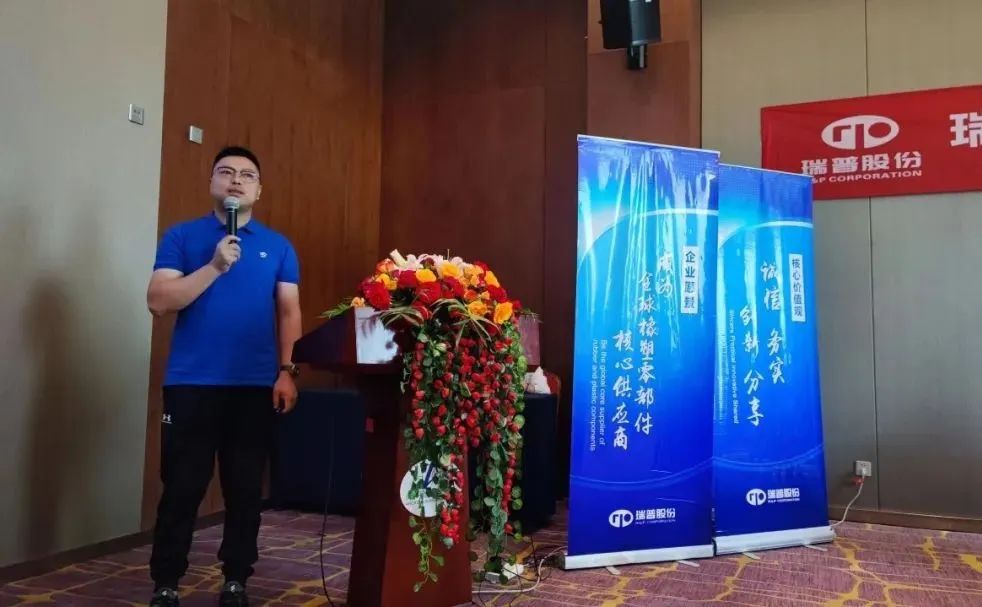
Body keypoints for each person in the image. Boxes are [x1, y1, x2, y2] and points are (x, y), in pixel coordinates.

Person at [145, 146, 302, 607]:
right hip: (192, 383)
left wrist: (287, 371)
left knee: (245, 489)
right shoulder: (182, 236)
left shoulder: (278, 246)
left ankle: (236, 578)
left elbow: (289, 312)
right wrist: (214, 266)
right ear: (212, 181)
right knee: (182, 487)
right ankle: (166, 581)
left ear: (259, 190)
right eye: (226, 172)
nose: (236, 180)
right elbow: (159, 300)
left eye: (247, 175)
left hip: (253, 385)